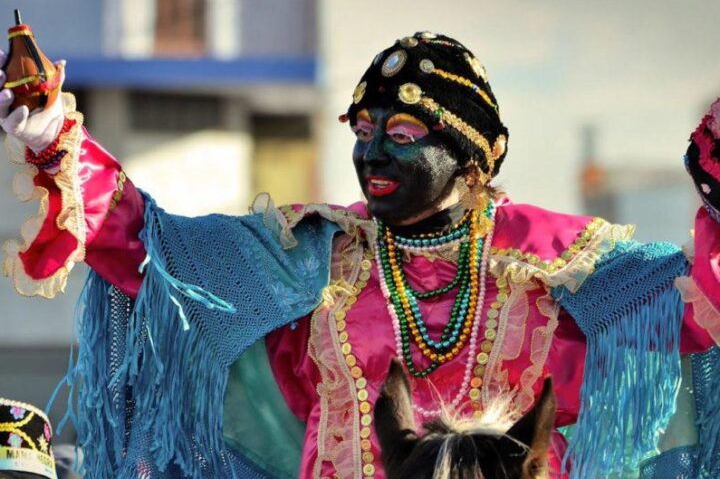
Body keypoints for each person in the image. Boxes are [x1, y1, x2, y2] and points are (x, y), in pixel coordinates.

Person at [1, 32, 719, 478]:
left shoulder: (561, 263)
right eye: (364, 126)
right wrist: (55, 139)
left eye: (403, 131)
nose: (372, 150)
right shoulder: (309, 253)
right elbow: (157, 254)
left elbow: (701, 308)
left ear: (471, 157)